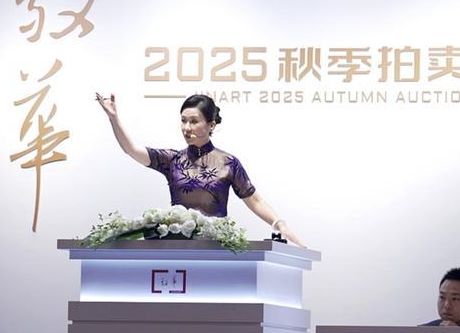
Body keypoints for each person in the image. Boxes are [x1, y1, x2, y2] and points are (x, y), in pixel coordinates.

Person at [95, 92, 304, 247]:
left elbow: (254, 200)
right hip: (176, 247)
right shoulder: (172, 159)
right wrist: (113, 118)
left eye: (194, 122)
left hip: (216, 248)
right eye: (183, 121)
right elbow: (131, 149)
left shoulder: (228, 162)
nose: (187, 128)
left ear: (211, 125)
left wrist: (279, 224)